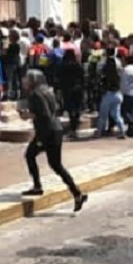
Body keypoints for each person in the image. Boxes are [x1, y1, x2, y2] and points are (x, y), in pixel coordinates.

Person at [18, 70, 88, 210]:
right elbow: (54, 110)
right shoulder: (48, 91)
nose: (24, 81)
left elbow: (44, 116)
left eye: (27, 79)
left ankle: (38, 186)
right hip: (55, 130)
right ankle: (76, 193)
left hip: (47, 131)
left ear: (33, 81)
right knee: (56, 165)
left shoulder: (36, 95)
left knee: (31, 155)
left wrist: (28, 116)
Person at [97, 55, 126, 139]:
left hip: (108, 94)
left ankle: (99, 132)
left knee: (103, 115)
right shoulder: (118, 74)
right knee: (117, 115)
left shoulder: (105, 75)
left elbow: (100, 78)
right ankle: (122, 131)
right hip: (118, 94)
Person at [59, 49, 85, 136]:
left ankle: (73, 126)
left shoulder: (63, 65)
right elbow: (83, 76)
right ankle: (75, 125)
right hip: (78, 88)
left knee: (70, 108)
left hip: (67, 89)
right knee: (77, 107)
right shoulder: (77, 65)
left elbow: (59, 77)